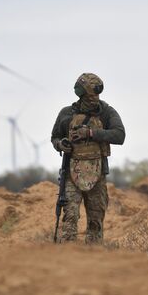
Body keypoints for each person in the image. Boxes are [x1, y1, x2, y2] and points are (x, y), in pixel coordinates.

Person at [51, 73, 125, 244]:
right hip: (71, 173)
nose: (94, 98)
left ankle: (93, 259)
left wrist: (91, 133)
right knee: (70, 216)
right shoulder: (66, 114)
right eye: (90, 94)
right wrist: (61, 144)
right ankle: (68, 256)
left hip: (97, 174)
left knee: (95, 221)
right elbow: (54, 137)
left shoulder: (106, 112)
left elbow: (119, 135)